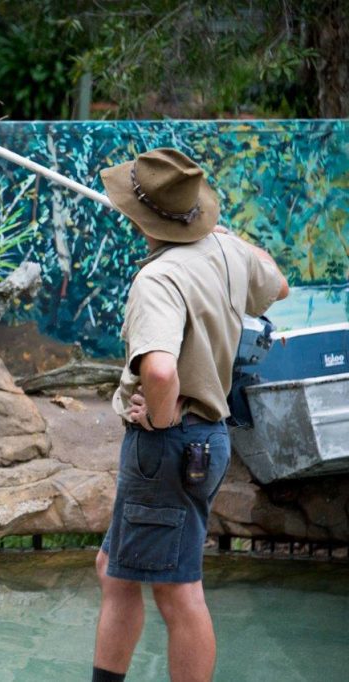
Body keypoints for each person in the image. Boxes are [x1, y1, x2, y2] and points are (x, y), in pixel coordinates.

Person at [92, 148, 289, 682]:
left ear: (139, 215)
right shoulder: (226, 254)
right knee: (114, 571)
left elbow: (158, 372)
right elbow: (279, 284)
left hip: (170, 446)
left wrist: (158, 420)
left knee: (178, 592)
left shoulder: (158, 280)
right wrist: (225, 237)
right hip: (208, 440)